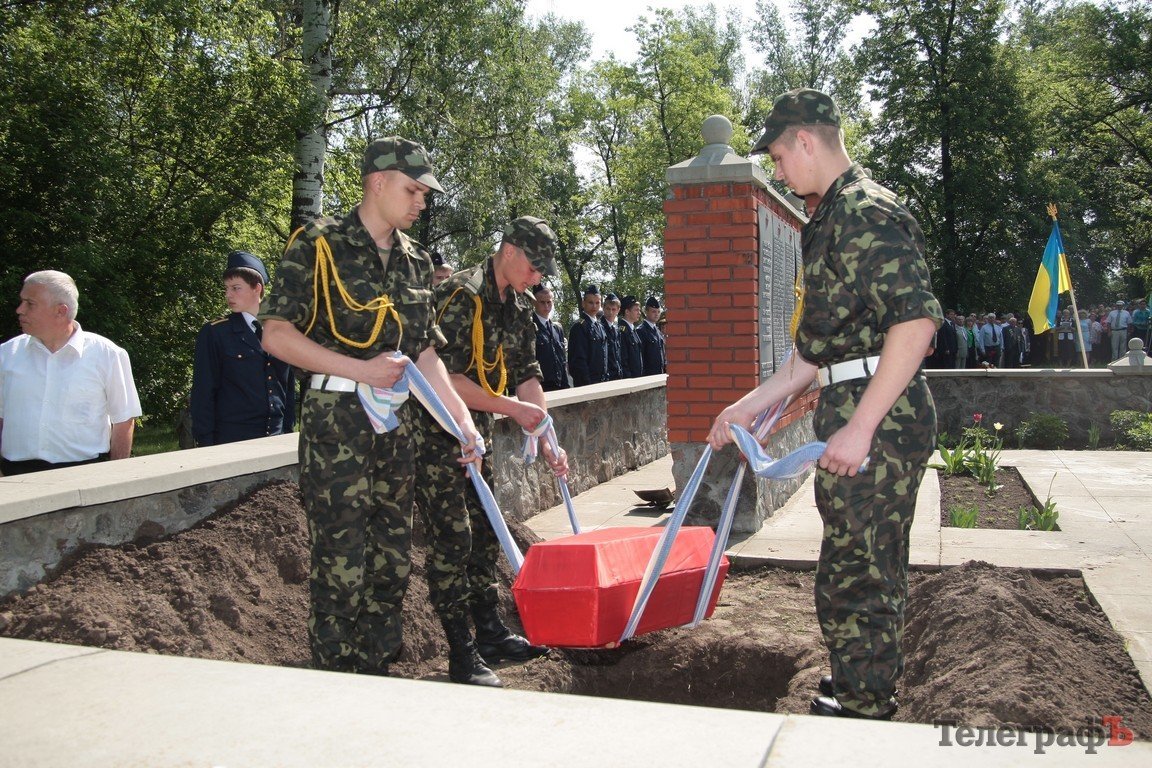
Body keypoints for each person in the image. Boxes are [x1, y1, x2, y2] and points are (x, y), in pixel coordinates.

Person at [709, 88, 941, 721]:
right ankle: (860, 684)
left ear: (805, 142)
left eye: (780, 158)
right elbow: (811, 356)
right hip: (854, 406)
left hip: (880, 419)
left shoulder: (864, 212)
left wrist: (861, 427)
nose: (779, 172)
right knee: (850, 558)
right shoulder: (833, 217)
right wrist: (743, 408)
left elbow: (915, 325)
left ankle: (865, 711)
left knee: (861, 570)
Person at [259, 136, 481, 677]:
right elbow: (276, 335)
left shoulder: (415, 261)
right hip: (337, 425)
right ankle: (337, 681)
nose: (421, 203)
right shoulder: (318, 244)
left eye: (425, 193)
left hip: (394, 429)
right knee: (341, 563)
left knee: (392, 561)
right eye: (413, 190)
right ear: (376, 182)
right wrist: (358, 369)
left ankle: (378, 673)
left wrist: (463, 424)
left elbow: (425, 354)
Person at [414, 216, 569, 687]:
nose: (538, 277)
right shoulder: (460, 295)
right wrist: (512, 409)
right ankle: (461, 653)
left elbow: (527, 374)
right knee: (452, 541)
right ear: (509, 250)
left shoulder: (518, 306)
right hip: (438, 430)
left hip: (476, 431)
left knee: (483, 534)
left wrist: (545, 435)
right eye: (534, 266)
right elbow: (447, 380)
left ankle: (489, 633)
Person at [0, 270, 143, 475]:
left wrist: (114, 479)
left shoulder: (107, 354)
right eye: (22, 302)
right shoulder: (7, 354)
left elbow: (124, 421)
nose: (19, 310)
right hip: (15, 477)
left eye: (30, 303)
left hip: (84, 476)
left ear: (61, 311)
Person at [190, 251, 295, 447]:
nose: (228, 295)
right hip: (232, 441)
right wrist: (206, 444)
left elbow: (287, 389)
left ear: (257, 288)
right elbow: (203, 393)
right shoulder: (216, 333)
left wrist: (287, 434)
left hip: (276, 437)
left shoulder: (282, 330)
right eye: (227, 288)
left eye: (236, 288)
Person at [568, 285, 608, 386]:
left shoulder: (600, 327)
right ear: (583, 303)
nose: (594, 306)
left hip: (602, 382)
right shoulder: (579, 327)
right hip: (588, 384)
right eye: (590, 302)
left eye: (597, 303)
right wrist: (587, 384)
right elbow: (578, 362)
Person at [531, 285, 568, 391]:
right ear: (534, 302)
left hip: (559, 385)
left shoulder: (557, 328)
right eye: (542, 302)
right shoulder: (529, 327)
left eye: (549, 302)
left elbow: (562, 360)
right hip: (540, 386)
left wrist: (566, 386)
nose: (546, 306)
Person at [637, 295, 667, 375]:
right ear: (646, 312)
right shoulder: (641, 330)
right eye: (653, 311)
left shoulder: (657, 330)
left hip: (659, 374)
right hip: (648, 375)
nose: (656, 314)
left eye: (658, 312)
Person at [618, 295, 644, 378]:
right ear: (627, 311)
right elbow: (623, 359)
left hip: (637, 377)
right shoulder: (621, 331)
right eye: (636, 310)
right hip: (629, 380)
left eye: (639, 310)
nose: (639, 313)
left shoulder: (632, 329)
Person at [601, 292, 624, 380]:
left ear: (618, 310)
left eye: (613, 309)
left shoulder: (616, 329)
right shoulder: (600, 327)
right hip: (607, 377)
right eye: (608, 309)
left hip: (617, 375)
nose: (610, 312)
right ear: (603, 308)